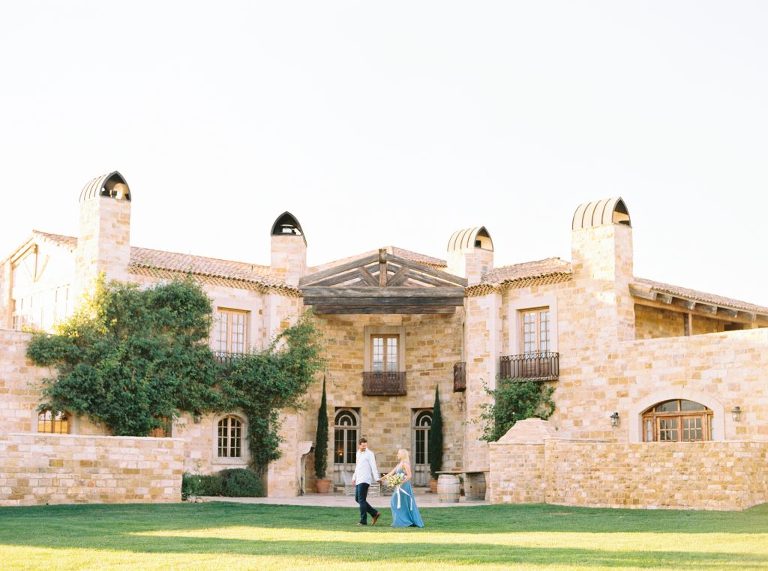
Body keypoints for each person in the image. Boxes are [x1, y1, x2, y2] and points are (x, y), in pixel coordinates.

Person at [382, 449, 424, 528]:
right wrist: (381, 479)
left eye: (398, 453)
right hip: (399, 486)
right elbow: (391, 473)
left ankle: (405, 521)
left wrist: (401, 482)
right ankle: (403, 521)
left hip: (404, 487)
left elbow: (409, 475)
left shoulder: (405, 464)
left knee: (396, 502)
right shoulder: (399, 464)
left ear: (402, 455)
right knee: (398, 503)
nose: (397, 455)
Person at [352, 437, 381, 526]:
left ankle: (363, 521)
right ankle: (374, 513)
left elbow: (373, 466)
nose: (364, 447)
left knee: (361, 499)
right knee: (358, 499)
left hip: (365, 479)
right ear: (359, 445)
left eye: (365, 445)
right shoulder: (358, 453)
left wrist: (376, 478)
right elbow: (357, 467)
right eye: (363, 446)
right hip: (359, 479)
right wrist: (354, 477)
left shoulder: (370, 454)